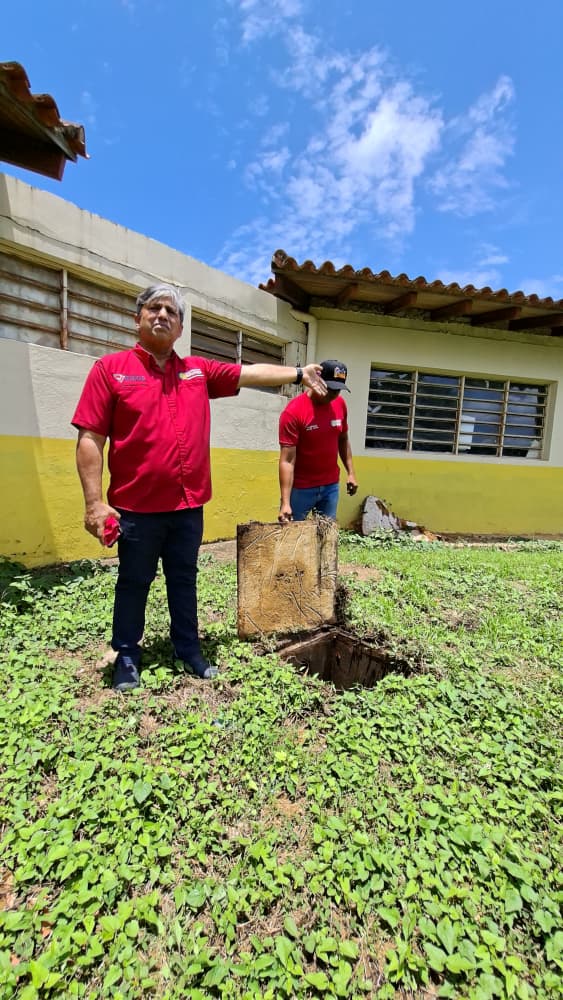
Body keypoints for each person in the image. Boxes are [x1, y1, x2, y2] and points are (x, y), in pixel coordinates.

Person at [72, 283, 327, 692]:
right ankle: (127, 655)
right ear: (137, 319)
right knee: (133, 582)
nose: (162, 315)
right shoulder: (110, 369)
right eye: (154, 308)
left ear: (180, 328)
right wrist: (94, 503)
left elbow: (249, 373)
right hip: (135, 510)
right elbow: (90, 438)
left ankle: (188, 649)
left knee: (184, 580)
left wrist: (299, 373)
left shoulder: (196, 372)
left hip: (187, 508)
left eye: (171, 312)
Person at [278, 359, 358, 524]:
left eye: (338, 390)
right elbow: (287, 460)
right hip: (301, 489)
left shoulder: (340, 404)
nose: (333, 394)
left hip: (330, 487)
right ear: (316, 380)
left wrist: (351, 473)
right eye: (330, 388)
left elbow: (343, 439)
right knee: (292, 535)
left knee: (326, 536)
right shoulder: (294, 412)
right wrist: (285, 502)